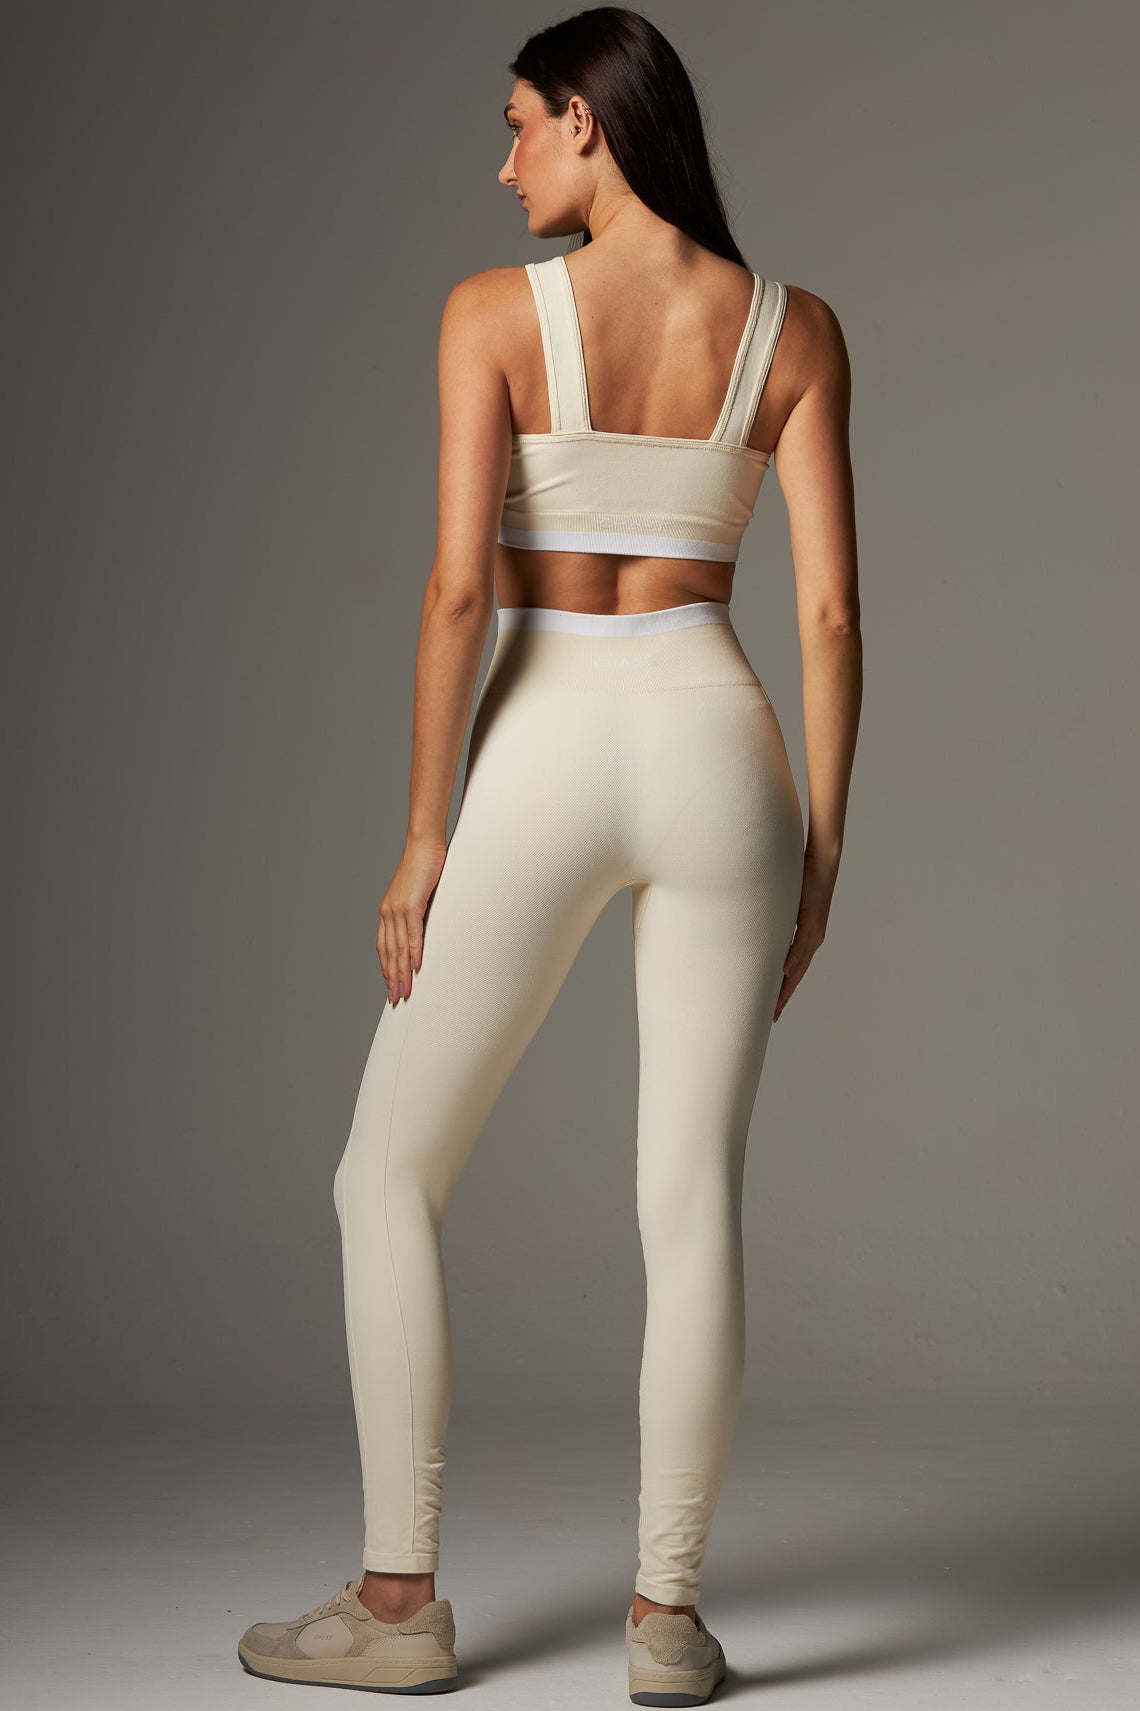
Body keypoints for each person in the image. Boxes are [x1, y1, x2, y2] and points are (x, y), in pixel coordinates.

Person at [237, 5, 860, 1701]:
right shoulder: (795, 329)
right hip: (725, 739)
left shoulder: (492, 315)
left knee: (387, 1171)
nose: (503, 159)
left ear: (590, 119)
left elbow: (459, 593)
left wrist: (422, 835)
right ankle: (667, 1625)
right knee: (691, 1198)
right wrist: (821, 851)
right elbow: (826, 616)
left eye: (520, 123)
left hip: (550, 734)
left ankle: (399, 1604)